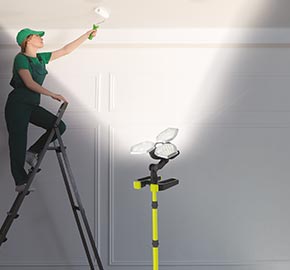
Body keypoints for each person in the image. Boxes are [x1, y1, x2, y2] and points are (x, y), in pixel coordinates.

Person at [5, 27, 97, 192]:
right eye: (37, 37)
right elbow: (29, 83)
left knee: (58, 126)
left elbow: (65, 50)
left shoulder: (40, 58)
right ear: (27, 40)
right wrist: (52, 94)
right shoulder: (21, 59)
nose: (41, 38)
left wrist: (86, 34)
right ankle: (20, 182)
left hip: (32, 105)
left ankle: (32, 152)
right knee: (17, 142)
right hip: (17, 105)